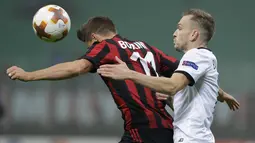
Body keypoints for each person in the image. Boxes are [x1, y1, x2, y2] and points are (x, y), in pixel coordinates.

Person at [7, 16, 238, 143]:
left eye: (89, 47)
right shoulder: (145, 48)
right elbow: (190, 73)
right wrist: (220, 93)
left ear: (95, 38)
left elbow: (76, 68)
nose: (91, 53)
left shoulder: (105, 47)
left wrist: (30, 75)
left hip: (142, 130)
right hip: (167, 129)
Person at [97, 9, 239, 143]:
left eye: (180, 28)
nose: (175, 33)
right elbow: (191, 107)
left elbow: (172, 85)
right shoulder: (199, 60)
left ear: (193, 35)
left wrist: (129, 73)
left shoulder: (197, 55)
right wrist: (173, 101)